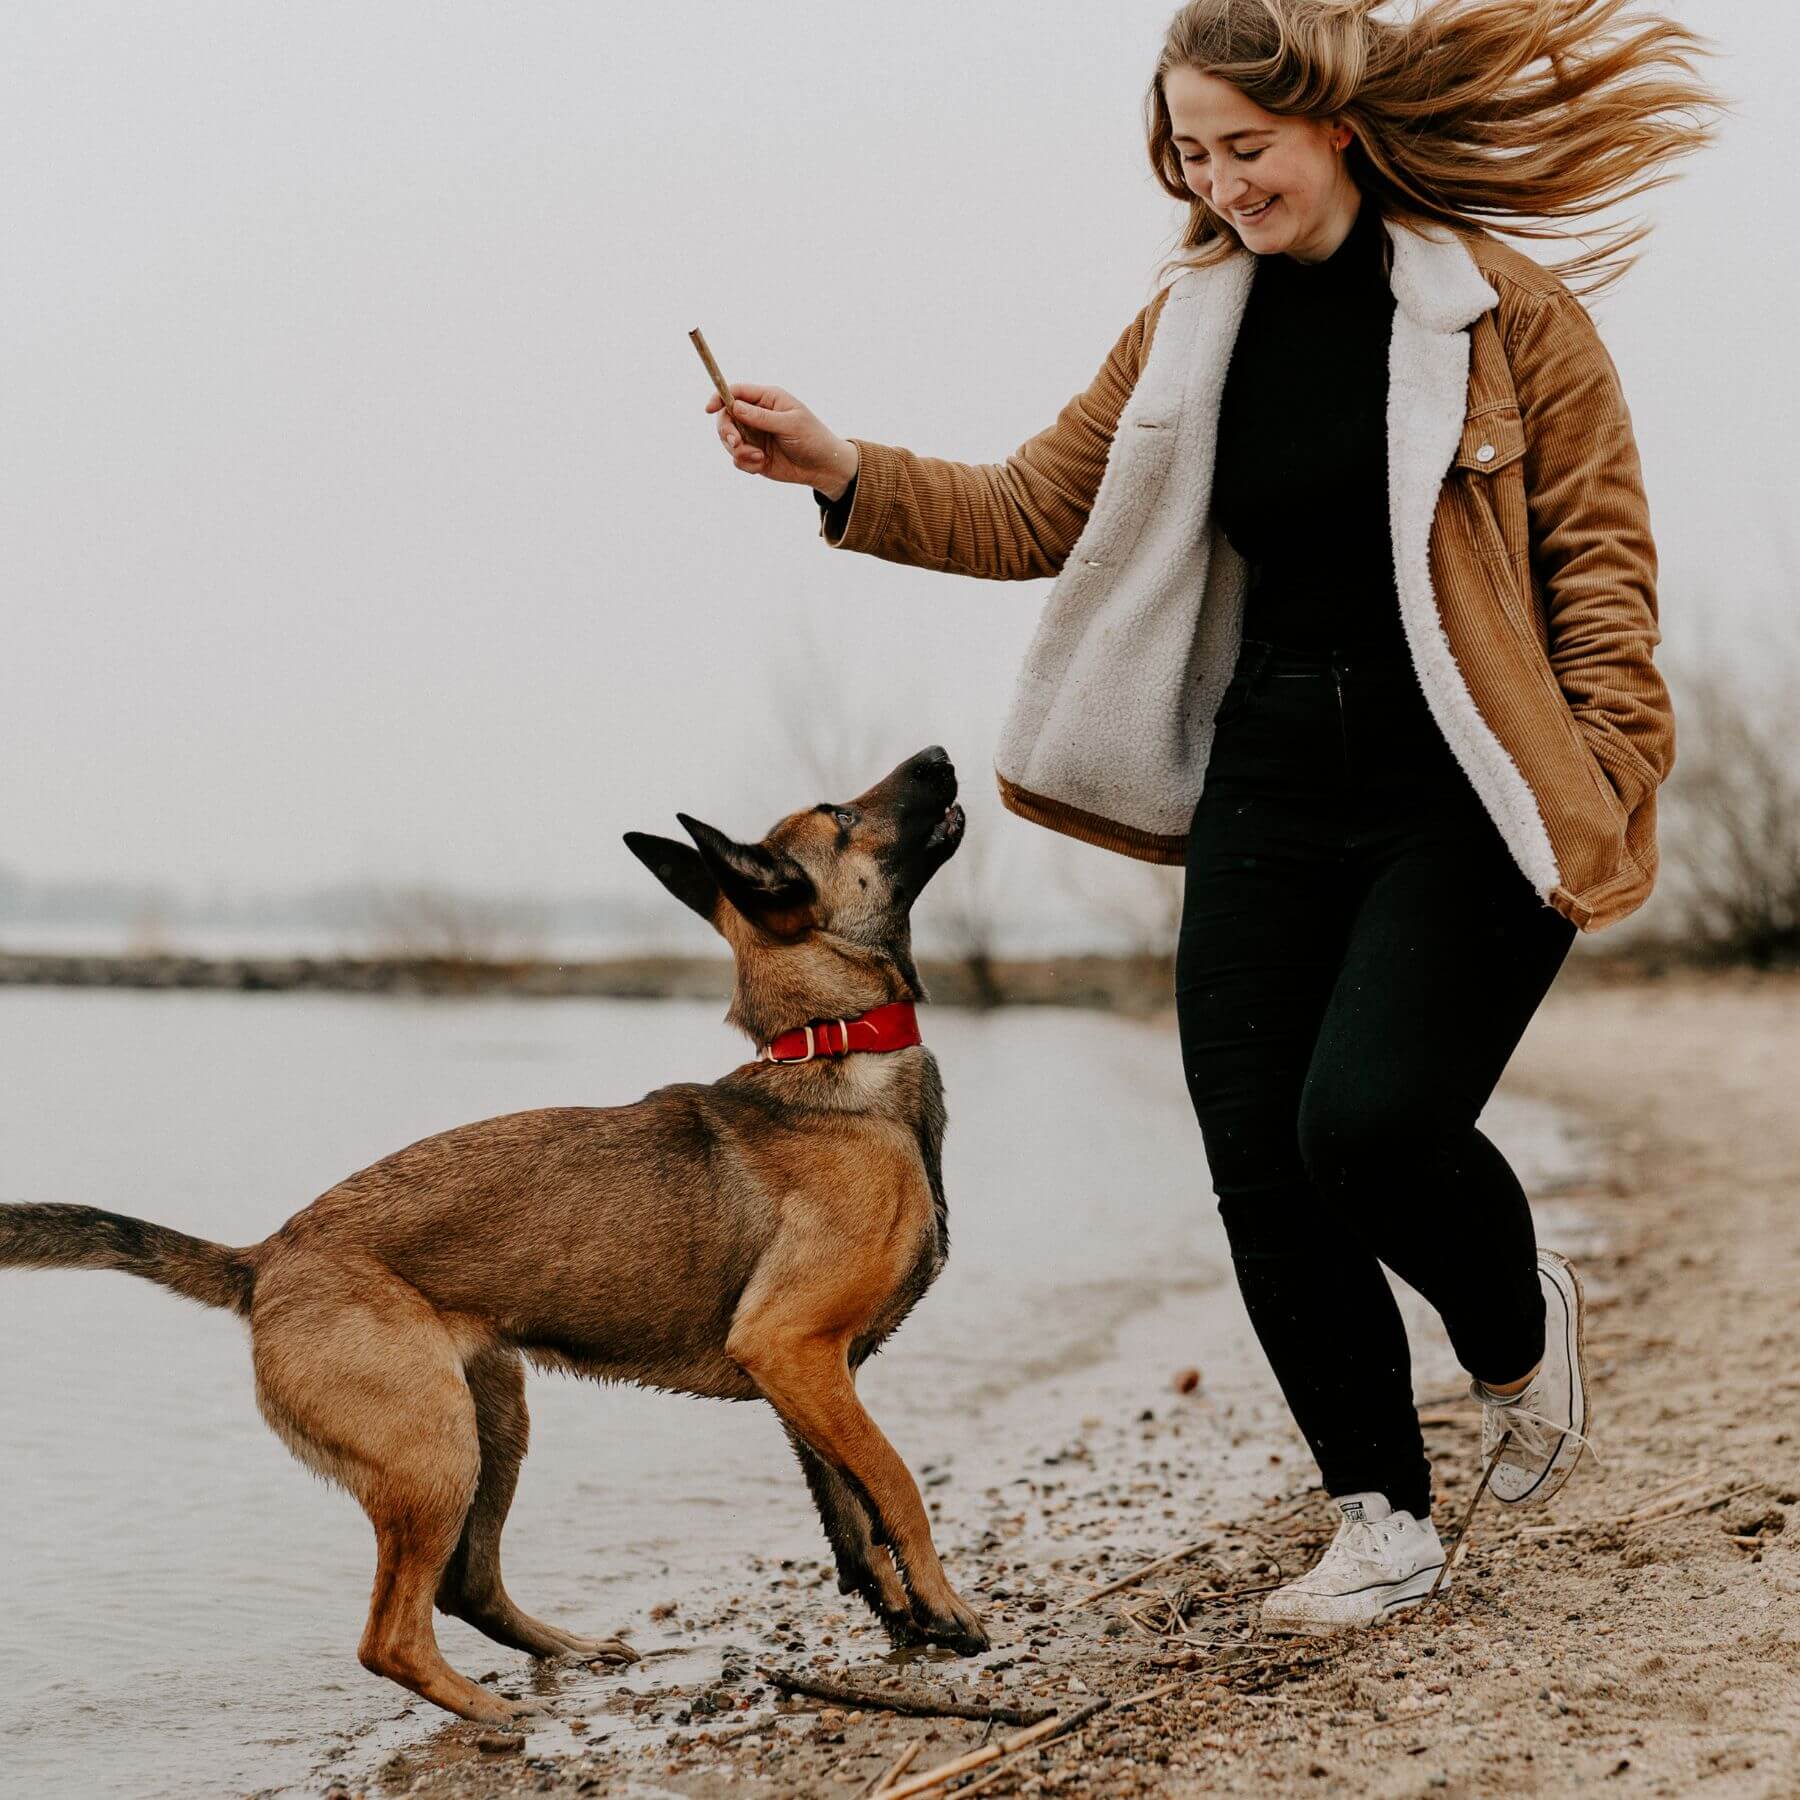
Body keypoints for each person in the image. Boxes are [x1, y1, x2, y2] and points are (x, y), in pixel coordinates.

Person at [703, 0, 1717, 1634]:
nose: (1222, 182)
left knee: (1366, 1129)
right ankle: (1380, 1515)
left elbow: (1604, 582)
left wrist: (1603, 777)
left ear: (1337, 125)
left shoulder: (1507, 317)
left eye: (1247, 146)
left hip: (1467, 792)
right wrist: (840, 468)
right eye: (1191, 154)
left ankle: (1514, 1321)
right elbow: (1038, 507)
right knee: (1261, 1162)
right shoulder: (1189, 323)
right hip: (1266, 791)